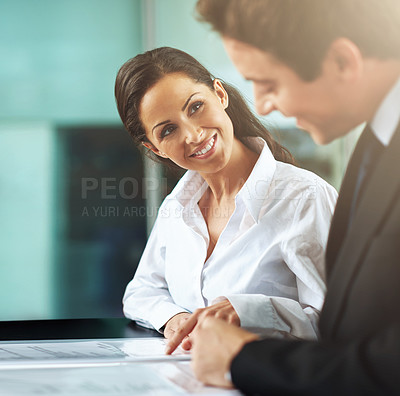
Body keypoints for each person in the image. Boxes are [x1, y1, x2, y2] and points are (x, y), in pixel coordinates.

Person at [165, 0, 400, 394]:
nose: (261, 105)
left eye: (269, 83)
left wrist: (245, 359)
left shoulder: (310, 190)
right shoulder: (376, 144)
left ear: (343, 62)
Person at [114, 47, 337, 345]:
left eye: (195, 107)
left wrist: (249, 311)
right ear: (155, 148)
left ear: (219, 94)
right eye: (168, 130)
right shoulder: (177, 207)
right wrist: (174, 319)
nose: (193, 135)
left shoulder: (305, 199)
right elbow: (141, 291)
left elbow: (339, 322)